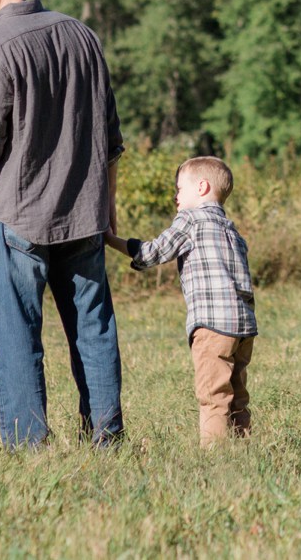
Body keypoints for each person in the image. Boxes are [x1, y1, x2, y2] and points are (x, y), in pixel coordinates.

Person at [0, 0, 125, 448]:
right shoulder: (84, 34)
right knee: (93, 333)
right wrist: (107, 205)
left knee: (16, 337)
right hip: (85, 211)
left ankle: (29, 447)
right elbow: (110, 135)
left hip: (18, 213)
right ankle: (107, 437)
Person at [109, 155, 259, 444]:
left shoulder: (190, 220)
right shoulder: (232, 230)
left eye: (179, 189)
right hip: (243, 328)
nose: (175, 196)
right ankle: (243, 447)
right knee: (237, 395)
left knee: (213, 396)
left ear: (201, 187)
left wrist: (110, 240)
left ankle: (213, 455)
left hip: (212, 327)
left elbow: (152, 252)